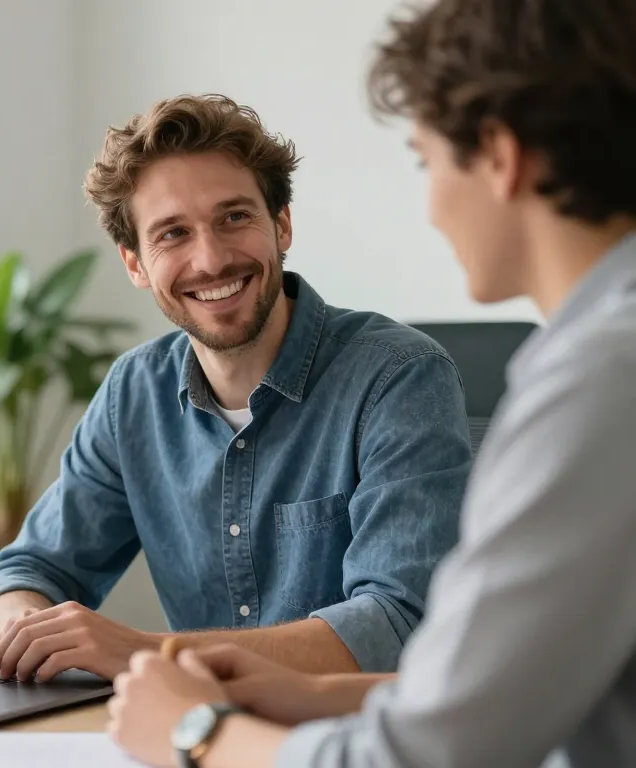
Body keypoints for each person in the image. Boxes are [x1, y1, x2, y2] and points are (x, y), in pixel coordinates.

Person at [107, 1, 636, 766]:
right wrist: (314, 692)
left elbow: (429, 757)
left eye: (426, 161)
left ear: (498, 155)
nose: (429, 207)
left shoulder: (600, 381)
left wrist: (197, 735)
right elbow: (495, 694)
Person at [0, 94, 473, 684]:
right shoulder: (133, 394)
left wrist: (143, 654)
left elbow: (396, 625)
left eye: (234, 217)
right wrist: (27, 628)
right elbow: (27, 570)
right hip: (192, 735)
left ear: (281, 224)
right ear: (135, 264)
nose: (210, 260)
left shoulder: (398, 376)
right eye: (172, 234)